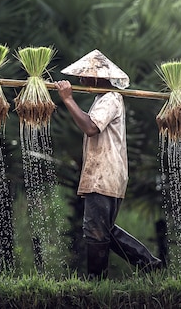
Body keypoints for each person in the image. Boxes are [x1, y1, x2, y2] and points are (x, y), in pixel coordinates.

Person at [55, 49, 162, 280]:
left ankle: (97, 281)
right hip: (102, 174)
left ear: (96, 77)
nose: (81, 80)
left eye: (84, 76)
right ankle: (148, 264)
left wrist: (68, 99)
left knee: (95, 232)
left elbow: (91, 127)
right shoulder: (101, 100)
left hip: (104, 175)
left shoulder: (111, 98)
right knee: (102, 230)